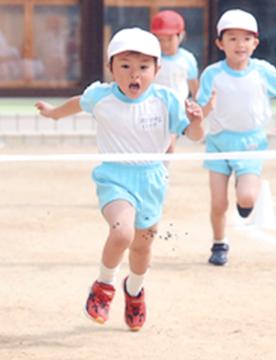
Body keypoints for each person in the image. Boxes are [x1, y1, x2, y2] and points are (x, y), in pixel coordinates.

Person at [34, 28, 204, 331]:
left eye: (143, 67)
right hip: (114, 177)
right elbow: (77, 102)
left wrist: (197, 122)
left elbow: (193, 136)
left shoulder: (167, 100)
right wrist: (54, 115)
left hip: (152, 179)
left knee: (142, 247)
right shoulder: (101, 96)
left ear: (157, 70)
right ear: (111, 68)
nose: (134, 75)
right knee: (122, 232)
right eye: (124, 66)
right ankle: (104, 286)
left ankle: (135, 291)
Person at [197, 9, 276, 266]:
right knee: (218, 201)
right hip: (218, 142)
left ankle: (246, 203)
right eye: (232, 38)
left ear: (255, 43)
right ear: (220, 43)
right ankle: (219, 243)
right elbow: (201, 109)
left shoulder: (262, 71)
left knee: (247, 197)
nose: (239, 44)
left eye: (245, 39)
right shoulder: (212, 74)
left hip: (251, 143)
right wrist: (206, 109)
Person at [151, 10, 200, 157]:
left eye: (169, 39)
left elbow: (193, 84)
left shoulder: (187, 59)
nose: (165, 44)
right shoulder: (153, 58)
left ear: (181, 36)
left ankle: (163, 172)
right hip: (155, 105)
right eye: (160, 39)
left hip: (177, 107)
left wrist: (196, 104)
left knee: (169, 144)